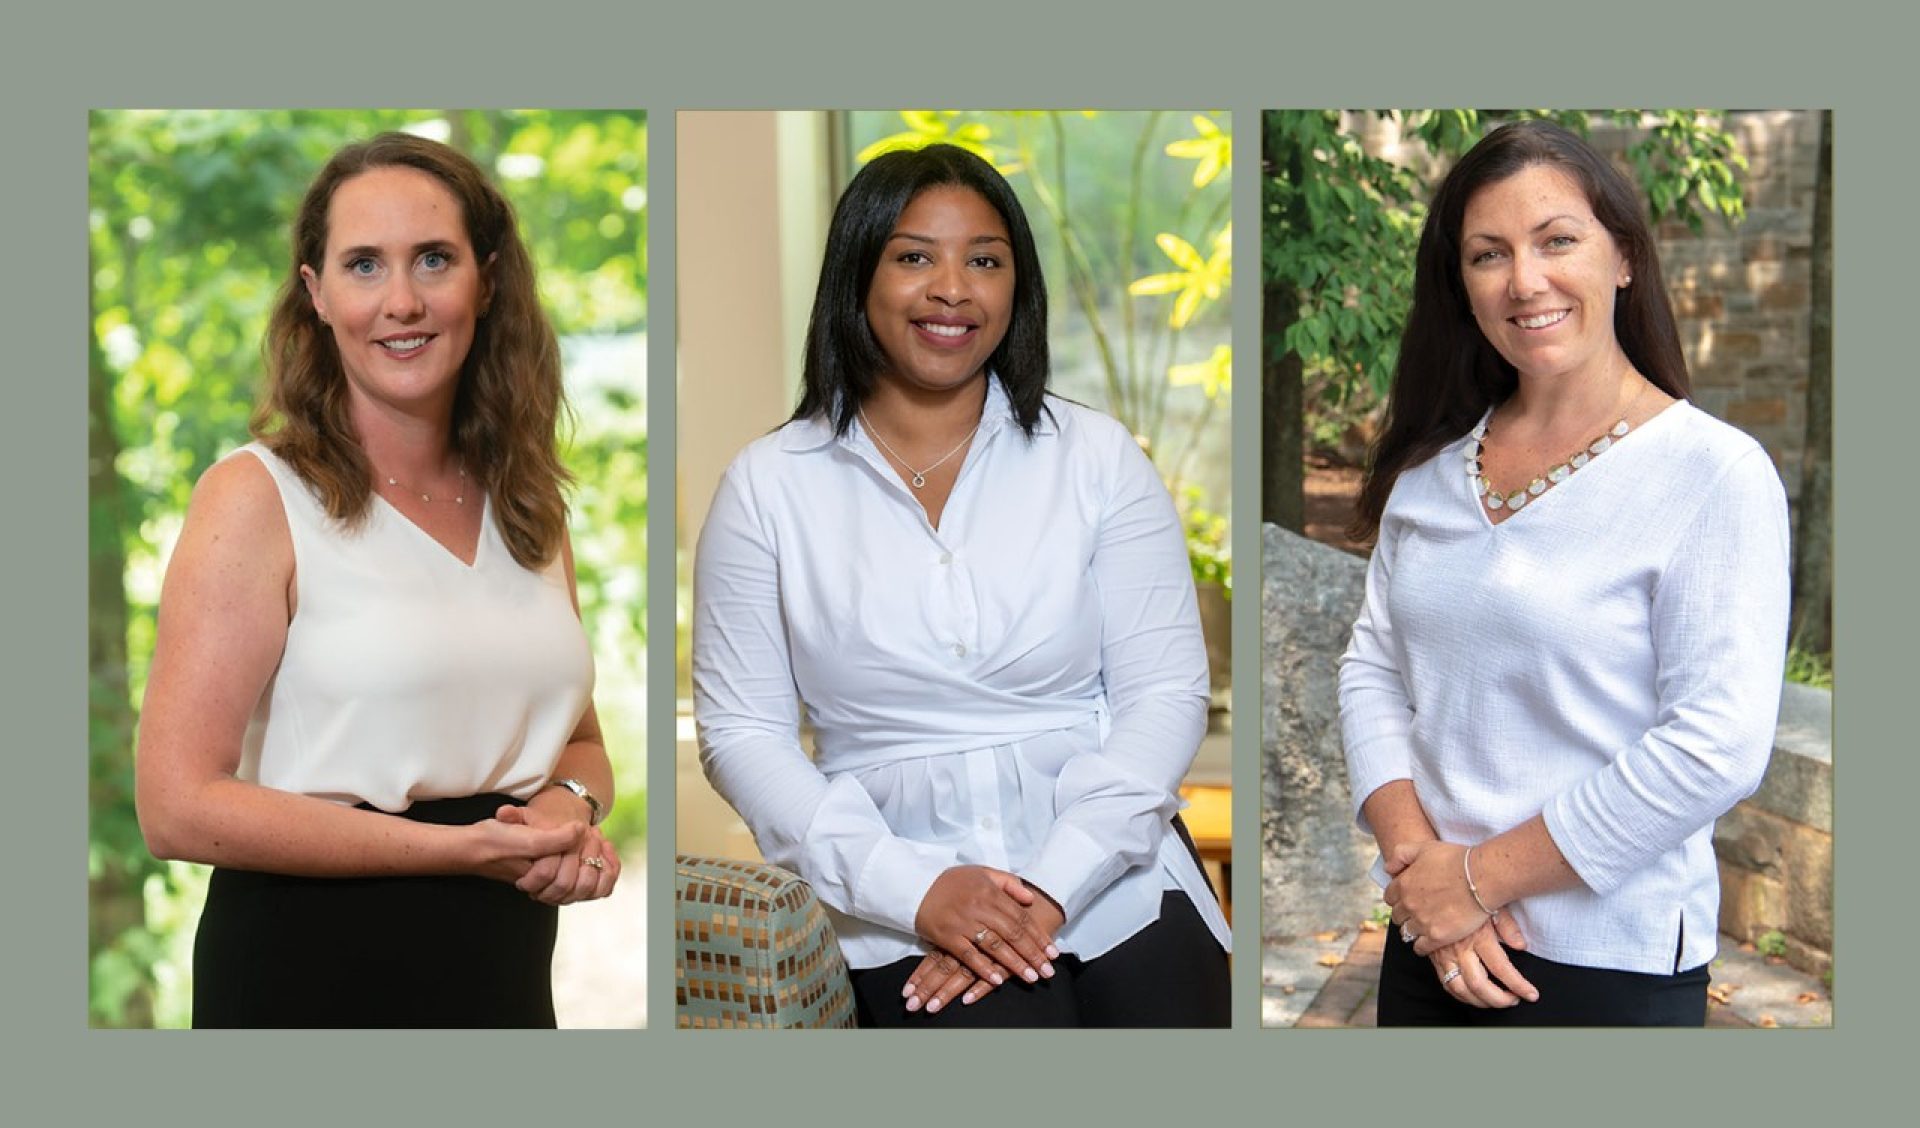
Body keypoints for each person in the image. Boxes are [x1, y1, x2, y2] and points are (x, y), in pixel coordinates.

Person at [692, 143, 1231, 1027]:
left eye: (985, 259)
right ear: (856, 278)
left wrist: (1050, 890)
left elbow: (1166, 693)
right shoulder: (767, 484)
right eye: (915, 257)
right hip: (895, 903)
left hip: (1110, 873)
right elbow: (743, 735)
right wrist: (920, 892)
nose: (954, 289)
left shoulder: (1096, 458)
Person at [134, 132, 620, 1028]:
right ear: (317, 295)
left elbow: (580, 743)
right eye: (364, 265)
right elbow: (174, 807)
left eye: (433, 259)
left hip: (500, 971)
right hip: (306, 977)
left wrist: (565, 809)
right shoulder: (254, 497)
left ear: (487, 277)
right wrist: (457, 852)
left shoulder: (528, 504)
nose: (402, 301)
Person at [1338, 119, 1790, 1026]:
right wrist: (1419, 871)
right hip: (1430, 942)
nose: (1525, 280)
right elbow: (1373, 668)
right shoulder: (1431, 476)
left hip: (1606, 963)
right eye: (1487, 254)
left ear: (1622, 256)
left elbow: (1715, 745)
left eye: (1557, 241)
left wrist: (1475, 878)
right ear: (1460, 286)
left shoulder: (1714, 474)